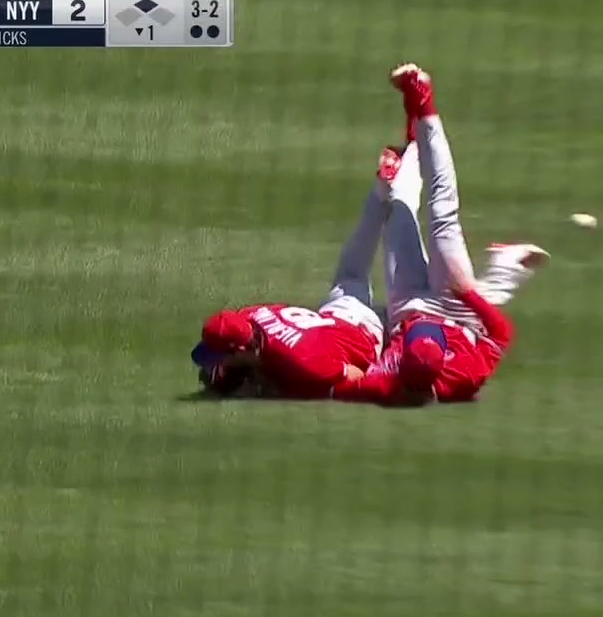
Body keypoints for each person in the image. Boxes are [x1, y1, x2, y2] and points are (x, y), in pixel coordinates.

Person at [330, 63, 548, 405]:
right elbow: (502, 335)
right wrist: (469, 297)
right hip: (454, 308)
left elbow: (338, 385)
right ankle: (423, 100)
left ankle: (413, 137)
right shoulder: (464, 378)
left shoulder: (384, 381)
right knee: (443, 213)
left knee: (399, 206)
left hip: (404, 306)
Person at [192, 147, 404, 399]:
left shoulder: (304, 363)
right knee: (352, 271)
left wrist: (279, 386)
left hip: (368, 334)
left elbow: (358, 375)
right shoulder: (249, 317)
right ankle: (383, 188)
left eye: (222, 357)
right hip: (340, 311)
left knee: (402, 296)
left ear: (240, 350)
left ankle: (400, 199)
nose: (217, 363)